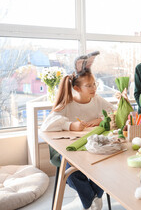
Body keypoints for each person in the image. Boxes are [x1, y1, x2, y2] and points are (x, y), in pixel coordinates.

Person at [41, 51, 115, 210]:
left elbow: (114, 112)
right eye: (88, 85)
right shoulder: (68, 103)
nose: (93, 88)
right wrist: (70, 125)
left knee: (110, 165)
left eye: (94, 84)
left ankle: (92, 197)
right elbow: (46, 125)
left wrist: (102, 119)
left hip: (94, 149)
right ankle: (92, 198)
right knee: (71, 173)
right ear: (76, 88)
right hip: (72, 150)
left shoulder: (97, 100)